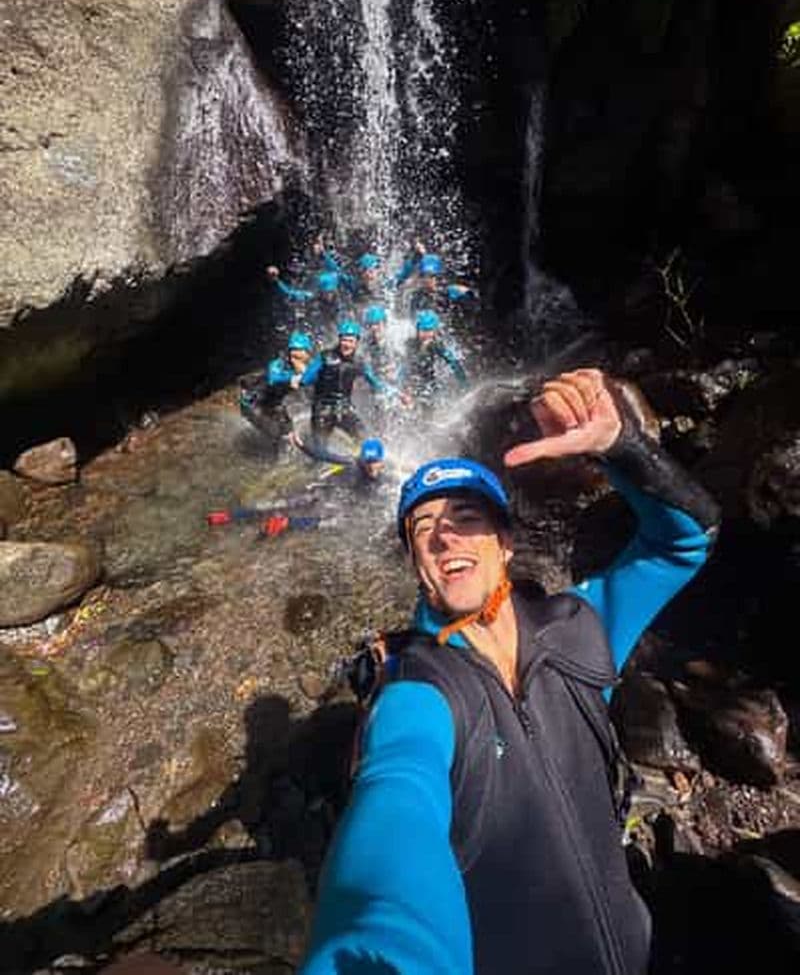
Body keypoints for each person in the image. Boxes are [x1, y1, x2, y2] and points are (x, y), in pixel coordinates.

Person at [299, 368, 720, 975]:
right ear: (418, 565)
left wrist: (621, 448)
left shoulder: (578, 625)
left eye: (466, 517)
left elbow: (685, 541)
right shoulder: (418, 688)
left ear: (504, 543)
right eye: (423, 529)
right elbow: (398, 794)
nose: (445, 535)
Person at [299, 320, 397, 447]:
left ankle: (365, 460)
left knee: (364, 437)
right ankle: (317, 461)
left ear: (356, 343)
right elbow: (306, 379)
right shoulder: (325, 356)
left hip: (344, 408)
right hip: (323, 409)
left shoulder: (359, 362)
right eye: (344, 340)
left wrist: (397, 394)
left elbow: (375, 383)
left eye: (351, 341)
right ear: (339, 340)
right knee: (320, 446)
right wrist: (299, 378)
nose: (347, 345)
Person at [239, 330, 314, 449]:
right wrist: (290, 379)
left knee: (288, 428)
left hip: (273, 403)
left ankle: (282, 446)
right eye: (293, 354)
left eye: (301, 354)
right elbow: (273, 379)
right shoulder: (278, 365)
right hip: (253, 404)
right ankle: (280, 461)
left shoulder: (310, 366)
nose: (296, 359)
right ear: (289, 354)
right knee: (283, 435)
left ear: (308, 354)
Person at [398, 309, 468, 413]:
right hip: (412, 382)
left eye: (430, 331)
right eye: (424, 331)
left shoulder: (436, 345)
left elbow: (453, 362)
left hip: (429, 382)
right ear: (417, 330)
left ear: (435, 331)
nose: (427, 335)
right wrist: (403, 387)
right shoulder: (411, 344)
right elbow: (404, 367)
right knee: (409, 408)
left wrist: (463, 383)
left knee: (428, 405)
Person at [266, 266, 345, 345]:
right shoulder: (312, 297)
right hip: (315, 336)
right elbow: (289, 293)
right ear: (321, 291)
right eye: (326, 292)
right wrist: (276, 281)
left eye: (331, 292)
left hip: (331, 334)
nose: (329, 295)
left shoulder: (341, 304)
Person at [406, 253, 477, 320]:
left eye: (431, 276)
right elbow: (413, 321)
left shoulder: (448, 292)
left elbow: (472, 301)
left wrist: (468, 293)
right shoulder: (417, 297)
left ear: (438, 277)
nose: (427, 280)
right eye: (424, 276)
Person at [361, 304, 390, 375]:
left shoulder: (394, 341)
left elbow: (403, 365)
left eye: (377, 324)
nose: (374, 327)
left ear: (385, 324)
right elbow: (366, 369)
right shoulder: (365, 344)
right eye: (371, 324)